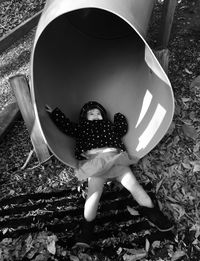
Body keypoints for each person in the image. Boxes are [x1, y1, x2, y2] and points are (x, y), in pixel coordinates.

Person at [45, 101, 174, 247]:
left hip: (116, 161)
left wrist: (119, 117)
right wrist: (55, 112)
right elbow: (67, 126)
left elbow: (121, 129)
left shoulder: (109, 126)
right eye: (91, 113)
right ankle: (86, 232)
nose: (96, 116)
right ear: (84, 117)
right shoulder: (81, 128)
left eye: (99, 113)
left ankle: (157, 217)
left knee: (135, 187)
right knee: (93, 195)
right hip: (96, 164)